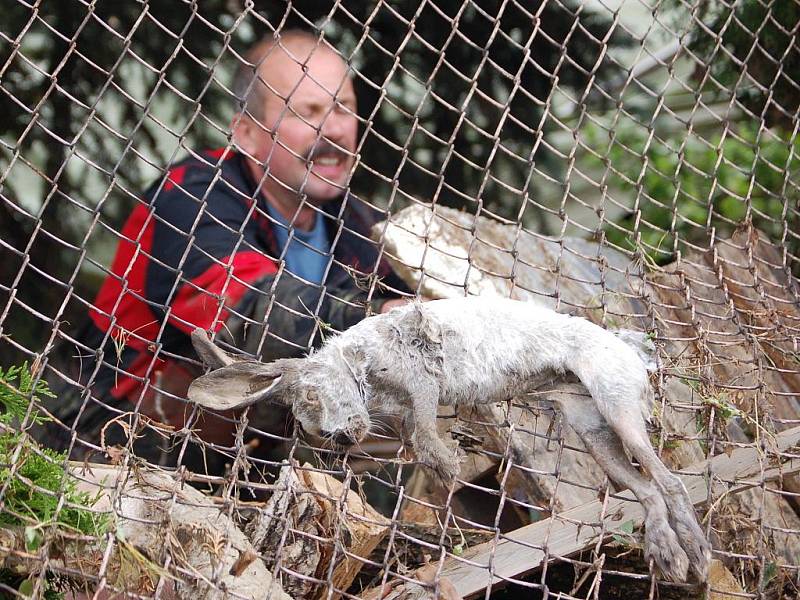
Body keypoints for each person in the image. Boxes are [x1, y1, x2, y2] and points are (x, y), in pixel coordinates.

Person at [45, 30, 410, 471]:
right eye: (306, 112)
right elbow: (244, 311)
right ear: (247, 133)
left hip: (262, 450)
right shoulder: (194, 194)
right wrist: (380, 320)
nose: (332, 130)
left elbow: (407, 297)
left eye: (343, 108)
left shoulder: (355, 221)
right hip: (116, 438)